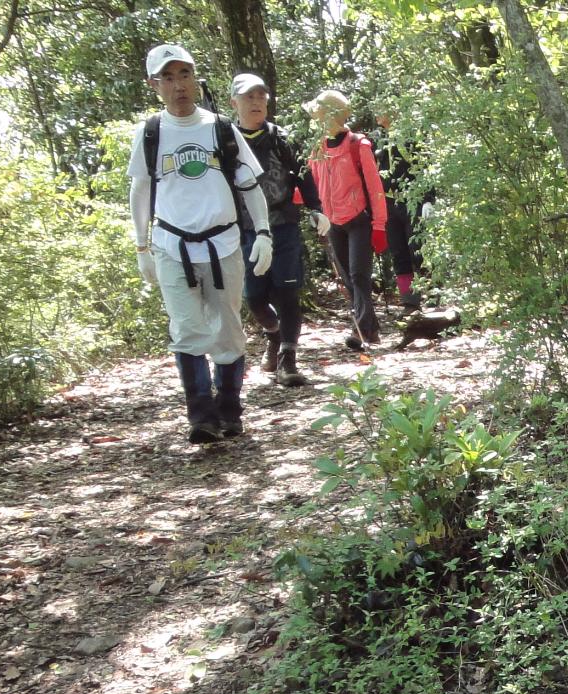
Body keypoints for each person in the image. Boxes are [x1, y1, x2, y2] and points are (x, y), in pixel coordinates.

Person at [128, 43, 272, 442]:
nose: (179, 86)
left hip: (223, 242)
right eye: (169, 77)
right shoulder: (150, 132)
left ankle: (229, 409)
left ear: (196, 78)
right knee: (188, 330)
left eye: (185, 75)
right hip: (171, 245)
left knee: (227, 332)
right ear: (154, 84)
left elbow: (249, 184)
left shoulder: (220, 128)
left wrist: (263, 233)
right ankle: (201, 417)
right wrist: (141, 247)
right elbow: (140, 190)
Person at [229, 71, 326, 387]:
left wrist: (316, 209)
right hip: (244, 230)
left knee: (287, 291)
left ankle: (288, 360)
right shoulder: (226, 141)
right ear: (235, 102)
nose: (256, 103)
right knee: (254, 297)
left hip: (283, 225)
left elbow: (302, 175)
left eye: (260, 97)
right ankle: (273, 333)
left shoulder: (281, 138)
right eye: (249, 97)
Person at [303, 89, 388, 350]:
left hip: (359, 220)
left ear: (328, 114)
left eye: (318, 112)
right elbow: (311, 185)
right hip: (332, 222)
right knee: (349, 279)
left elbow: (375, 187)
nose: (315, 117)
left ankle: (361, 329)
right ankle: (370, 330)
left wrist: (379, 226)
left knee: (359, 275)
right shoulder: (317, 148)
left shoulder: (357, 145)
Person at [371, 109, 422, 308]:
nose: (377, 113)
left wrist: (427, 199)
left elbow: (422, 166)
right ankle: (410, 303)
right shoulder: (379, 140)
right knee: (398, 252)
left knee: (418, 251)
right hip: (388, 204)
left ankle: (434, 299)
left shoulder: (409, 136)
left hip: (412, 201)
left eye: (381, 108)